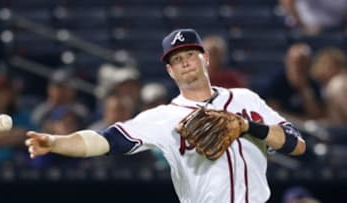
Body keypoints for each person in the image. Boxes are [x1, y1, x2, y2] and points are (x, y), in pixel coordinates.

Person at [25, 29, 306, 202]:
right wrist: (55, 142)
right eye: (176, 59)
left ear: (205, 58)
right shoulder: (162, 117)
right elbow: (104, 141)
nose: (184, 62)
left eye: (190, 54)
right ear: (170, 71)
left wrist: (248, 127)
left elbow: (296, 144)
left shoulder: (245, 99)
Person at [259, 43, 324, 122]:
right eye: (294, 62)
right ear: (287, 62)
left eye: (302, 62)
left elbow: (317, 116)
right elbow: (273, 112)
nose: (298, 66)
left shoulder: (313, 84)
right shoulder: (277, 82)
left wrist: (304, 90)